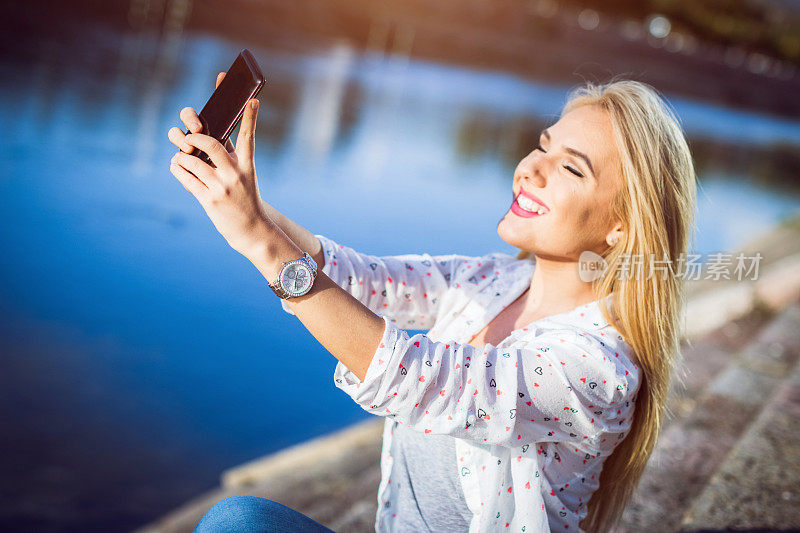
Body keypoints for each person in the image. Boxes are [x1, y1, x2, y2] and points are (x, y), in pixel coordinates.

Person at [167, 75, 696, 532]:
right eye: (543, 144)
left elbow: (415, 376)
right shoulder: (493, 279)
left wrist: (260, 241)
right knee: (239, 524)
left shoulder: (596, 368)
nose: (531, 168)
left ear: (622, 226)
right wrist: (244, 200)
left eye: (572, 169)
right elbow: (362, 280)